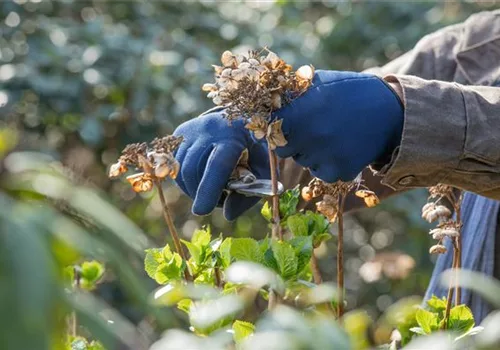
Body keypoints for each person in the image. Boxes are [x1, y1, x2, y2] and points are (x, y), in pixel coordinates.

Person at [172, 10, 500, 322]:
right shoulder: (481, 42)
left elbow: (390, 107)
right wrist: (260, 137)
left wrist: (402, 116)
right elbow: (354, 102)